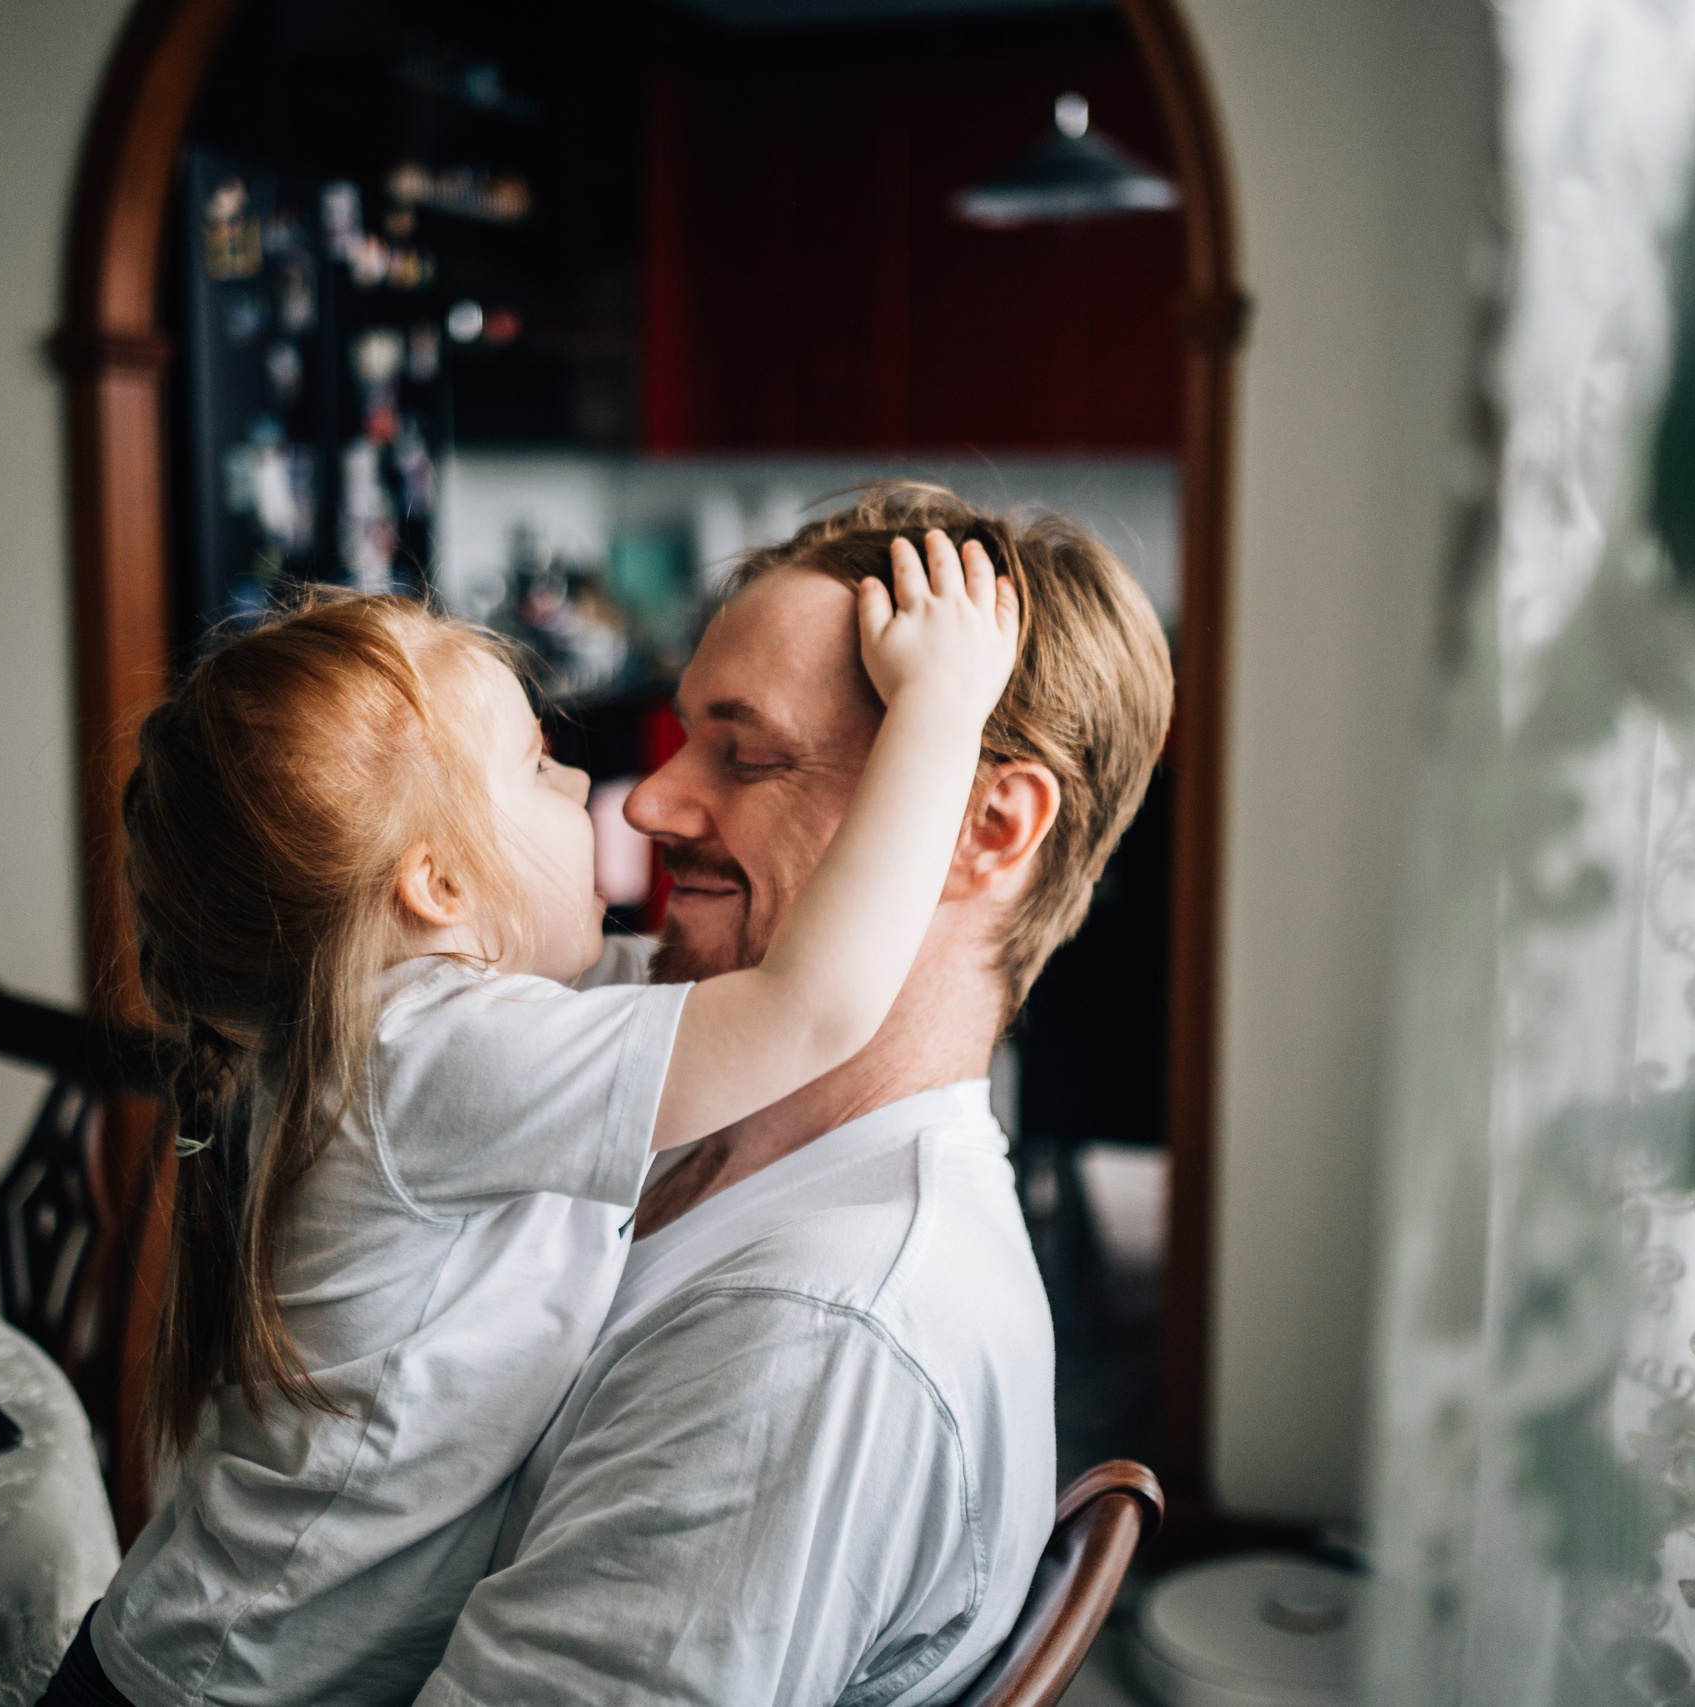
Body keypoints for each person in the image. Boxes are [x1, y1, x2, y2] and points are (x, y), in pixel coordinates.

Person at [46, 531, 1019, 1707]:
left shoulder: (416, 1027)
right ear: (440, 889)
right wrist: (940, 714)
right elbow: (805, 1007)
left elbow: (729, 995)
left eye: (744, 755)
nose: (619, 794)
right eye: (540, 766)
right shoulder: (432, 1053)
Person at [415, 484, 1174, 1705]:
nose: (651, 804)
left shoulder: (817, 1338)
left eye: (747, 754)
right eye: (679, 740)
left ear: (985, 824)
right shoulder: (657, 1053)